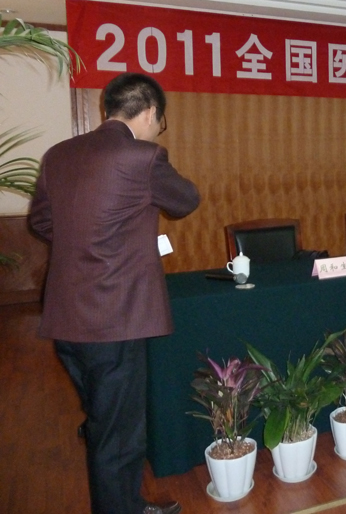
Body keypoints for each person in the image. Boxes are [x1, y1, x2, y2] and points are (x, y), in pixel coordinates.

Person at [28, 73, 200, 514]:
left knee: (106, 424)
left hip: (66, 318)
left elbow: (40, 222)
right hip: (115, 320)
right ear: (150, 112)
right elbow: (186, 200)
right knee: (118, 436)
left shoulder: (58, 155)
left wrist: (85, 243)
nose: (156, 130)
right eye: (159, 122)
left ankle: (127, 503)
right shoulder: (143, 157)